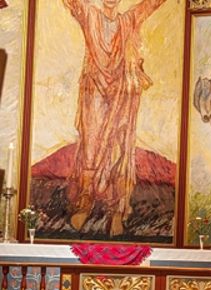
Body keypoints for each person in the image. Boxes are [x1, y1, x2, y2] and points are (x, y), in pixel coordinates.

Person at [62, 0, 167, 237]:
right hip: (94, 90)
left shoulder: (128, 20)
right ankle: (86, 201)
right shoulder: (89, 14)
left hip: (122, 93)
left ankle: (116, 210)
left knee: (120, 148)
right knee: (91, 146)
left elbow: (150, 4)